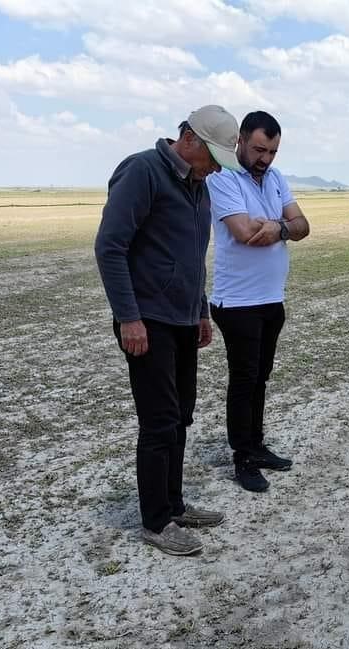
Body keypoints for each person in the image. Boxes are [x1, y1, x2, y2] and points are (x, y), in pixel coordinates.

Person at [95, 105, 241, 556]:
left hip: (182, 320)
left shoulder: (199, 185)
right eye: (213, 155)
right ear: (190, 139)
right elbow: (110, 247)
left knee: (181, 416)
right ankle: (156, 521)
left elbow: (194, 256)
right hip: (148, 321)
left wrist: (199, 312)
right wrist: (129, 317)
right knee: (159, 422)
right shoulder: (143, 171)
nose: (216, 167)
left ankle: (174, 503)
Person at [206, 111, 310, 492]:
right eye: (259, 149)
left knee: (261, 377)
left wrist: (278, 228)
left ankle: (256, 443)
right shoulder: (222, 179)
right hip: (237, 302)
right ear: (240, 142)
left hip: (270, 299)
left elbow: (303, 226)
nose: (265, 158)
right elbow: (245, 231)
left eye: (273, 151)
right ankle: (243, 456)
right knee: (244, 378)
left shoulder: (276, 179)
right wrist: (282, 227)